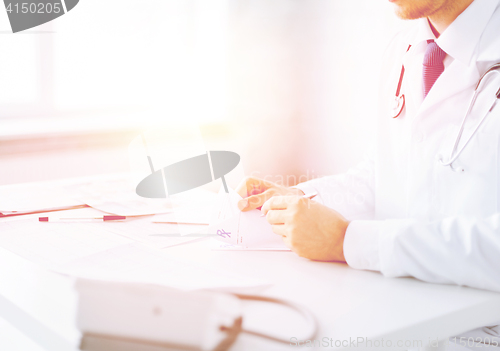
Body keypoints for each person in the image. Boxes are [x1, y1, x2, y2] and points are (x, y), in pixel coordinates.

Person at [236, 0, 500, 349]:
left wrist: (347, 241)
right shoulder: (404, 50)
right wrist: (303, 200)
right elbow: (386, 174)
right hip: (405, 311)